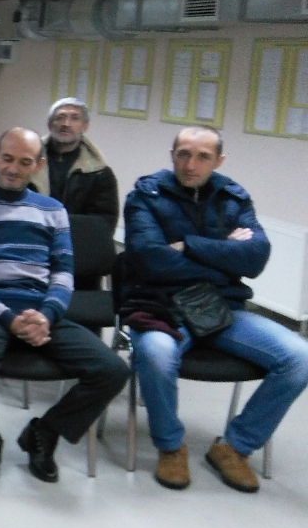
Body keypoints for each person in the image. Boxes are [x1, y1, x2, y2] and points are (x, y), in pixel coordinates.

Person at [122, 126, 308, 492]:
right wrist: (224, 254)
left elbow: (255, 258)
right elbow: (150, 260)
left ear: (218, 161)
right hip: (163, 306)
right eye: (183, 154)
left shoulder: (233, 197)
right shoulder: (145, 195)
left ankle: (235, 448)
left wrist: (187, 245)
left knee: (300, 358)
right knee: (156, 353)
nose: (191, 164)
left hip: (224, 309)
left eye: (203, 156)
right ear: (172, 155)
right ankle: (170, 446)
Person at [0, 128, 130, 485]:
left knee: (112, 370)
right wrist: (8, 318)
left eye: (25, 161)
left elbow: (63, 273)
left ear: (38, 165)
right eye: (7, 158)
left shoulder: (53, 211)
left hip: (41, 312)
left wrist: (46, 315)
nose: (13, 168)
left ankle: (44, 433)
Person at [27, 97, 120, 220]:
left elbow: (103, 221)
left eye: (74, 118)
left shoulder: (99, 173)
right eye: (60, 117)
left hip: (75, 232)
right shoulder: (27, 161)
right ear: (49, 125)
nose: (66, 124)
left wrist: (62, 228)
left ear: (85, 126)